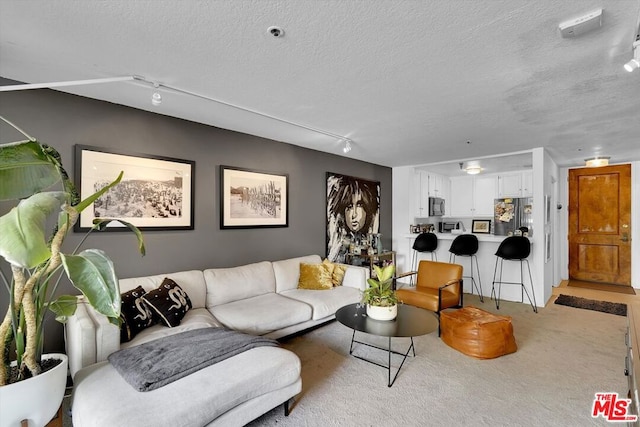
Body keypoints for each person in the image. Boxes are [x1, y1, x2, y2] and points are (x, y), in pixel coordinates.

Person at [327, 175, 379, 262]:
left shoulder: (369, 240)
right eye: (349, 207)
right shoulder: (339, 247)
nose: (354, 214)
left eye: (359, 205)